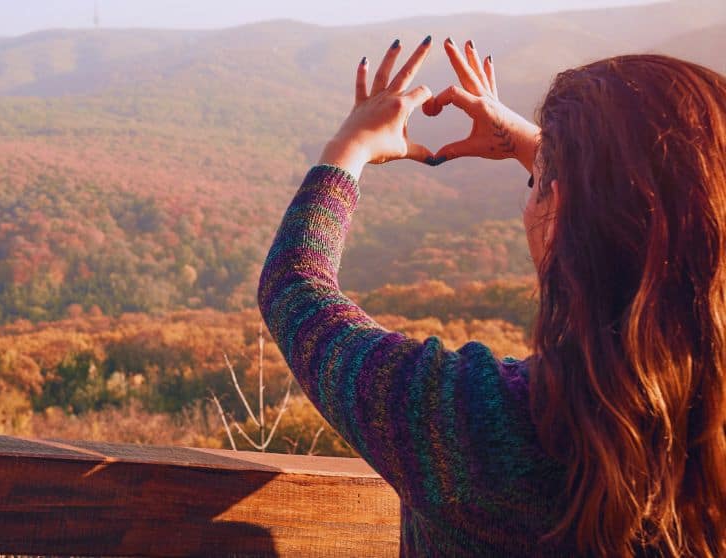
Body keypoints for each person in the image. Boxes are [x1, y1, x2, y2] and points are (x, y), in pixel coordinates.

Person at [257, 36, 725, 557]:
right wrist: (542, 153)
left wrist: (349, 148)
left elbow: (294, 285)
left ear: (561, 206)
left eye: (538, 182)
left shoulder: (471, 425)